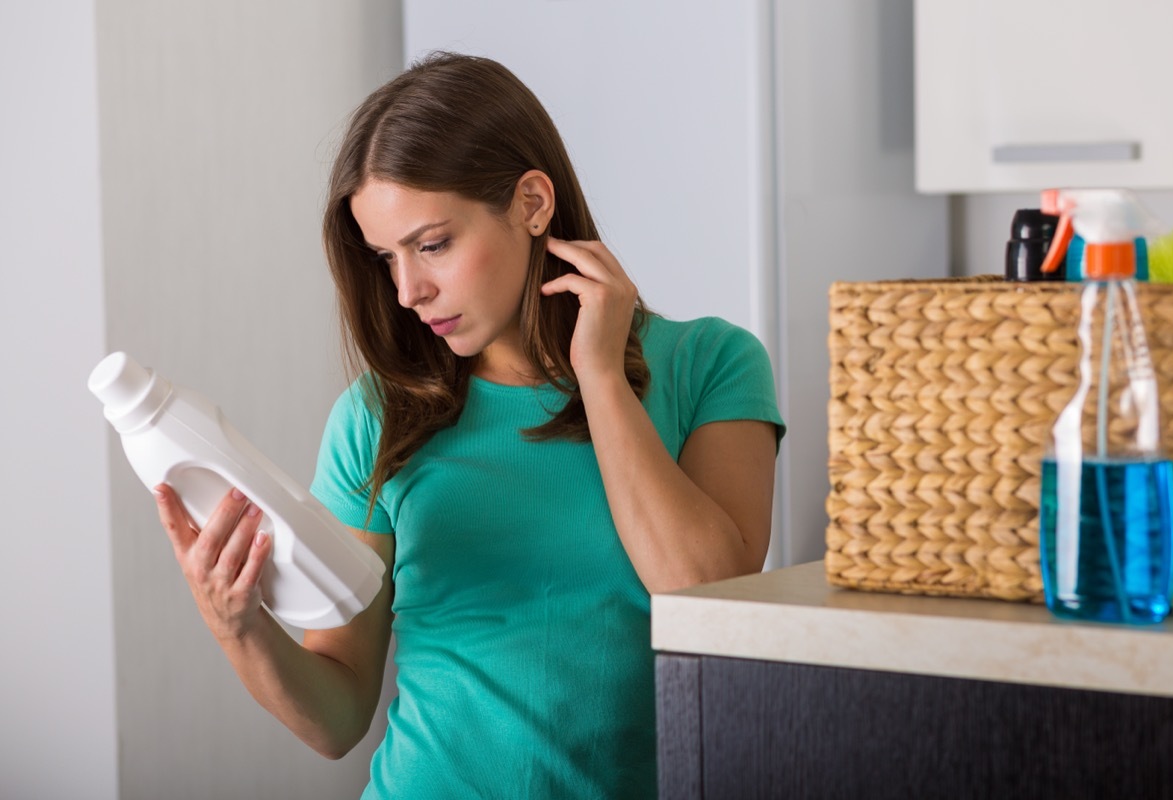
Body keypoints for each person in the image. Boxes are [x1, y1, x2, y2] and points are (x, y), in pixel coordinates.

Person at [152, 51, 785, 799]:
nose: (408, 290)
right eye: (386, 257)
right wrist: (239, 627)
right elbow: (337, 719)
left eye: (432, 244)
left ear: (531, 203)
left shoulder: (713, 364)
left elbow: (708, 595)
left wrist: (601, 377)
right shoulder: (376, 419)